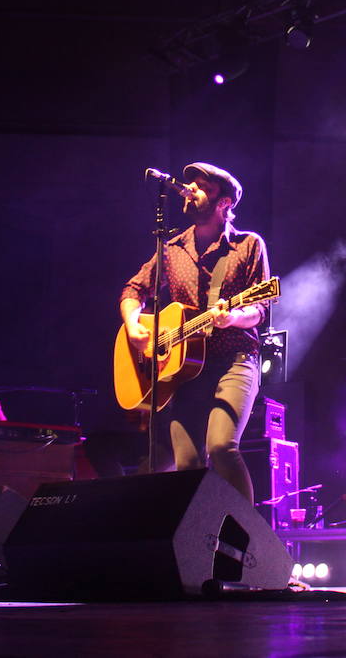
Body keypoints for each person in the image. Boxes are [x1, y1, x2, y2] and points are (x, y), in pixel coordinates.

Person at [119, 162, 270, 503]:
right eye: (192, 185)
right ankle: (197, 543)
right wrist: (134, 326)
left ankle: (251, 539)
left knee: (221, 446)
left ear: (225, 203)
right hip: (187, 370)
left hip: (235, 360)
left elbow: (259, 309)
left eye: (204, 187)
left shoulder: (247, 246)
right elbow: (133, 290)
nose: (191, 190)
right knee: (186, 463)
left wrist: (232, 317)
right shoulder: (171, 248)